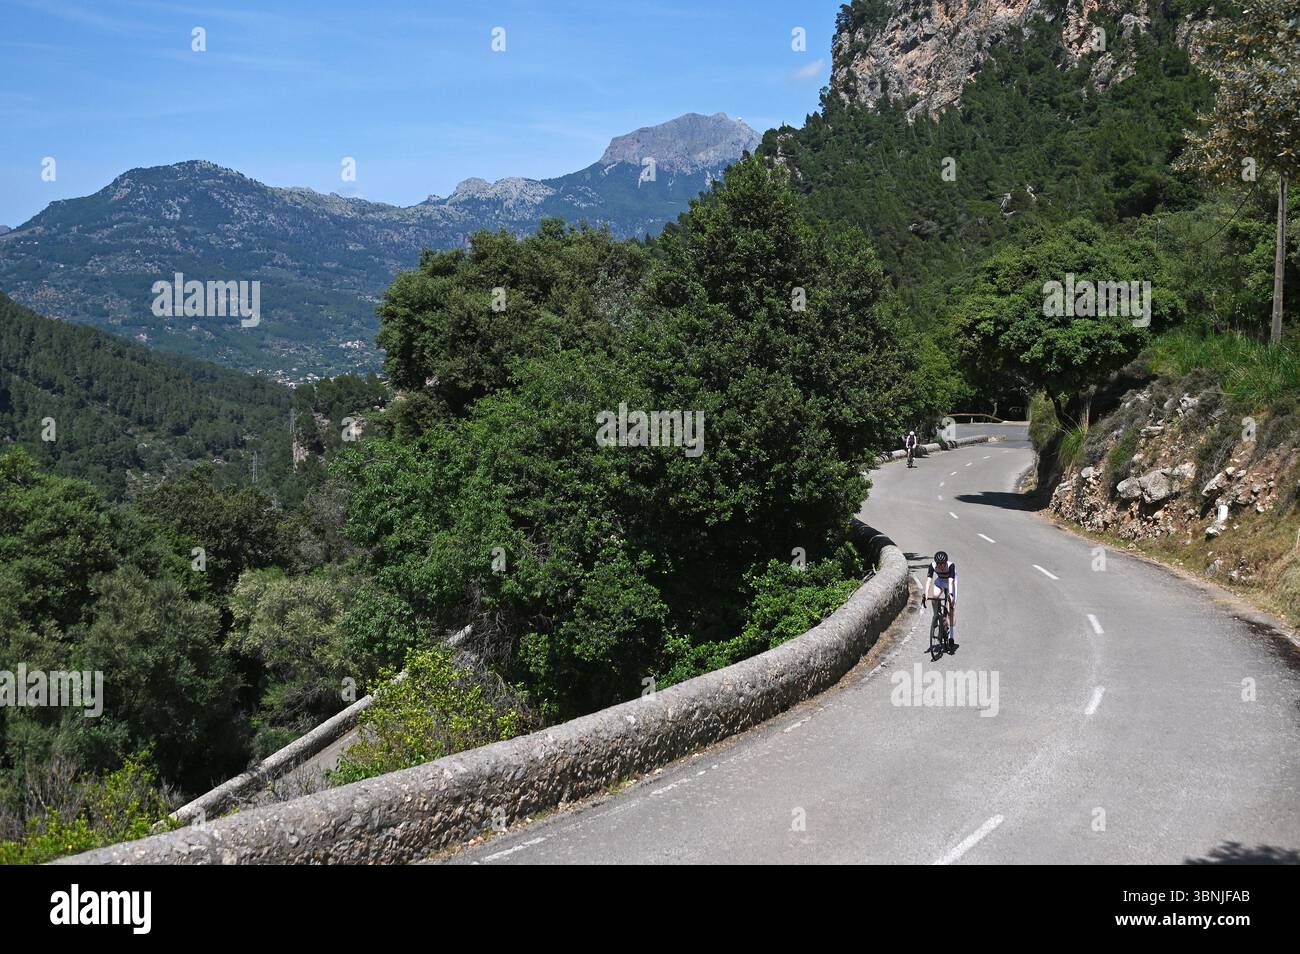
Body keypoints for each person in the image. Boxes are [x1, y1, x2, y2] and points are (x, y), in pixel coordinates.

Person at [922, 550, 957, 647]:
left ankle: (951, 636)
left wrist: (950, 594)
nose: (940, 566)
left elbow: (950, 582)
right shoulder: (932, 565)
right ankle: (935, 616)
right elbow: (929, 581)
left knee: (951, 608)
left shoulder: (951, 566)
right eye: (939, 564)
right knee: (935, 597)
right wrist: (925, 594)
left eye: (942, 564)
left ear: (946, 562)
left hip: (951, 583)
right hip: (940, 581)